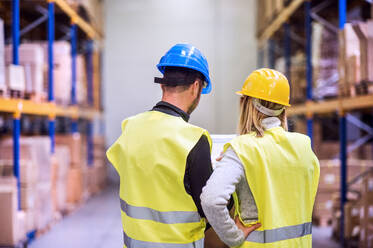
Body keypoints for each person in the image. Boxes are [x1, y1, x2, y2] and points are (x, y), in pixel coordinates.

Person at [106, 43, 214, 248]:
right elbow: (211, 208)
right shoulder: (194, 139)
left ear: (163, 85)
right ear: (196, 87)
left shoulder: (130, 128)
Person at [201, 68, 320, 247]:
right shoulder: (303, 146)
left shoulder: (242, 149)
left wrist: (233, 236)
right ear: (283, 109)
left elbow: (211, 200)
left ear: (246, 103)